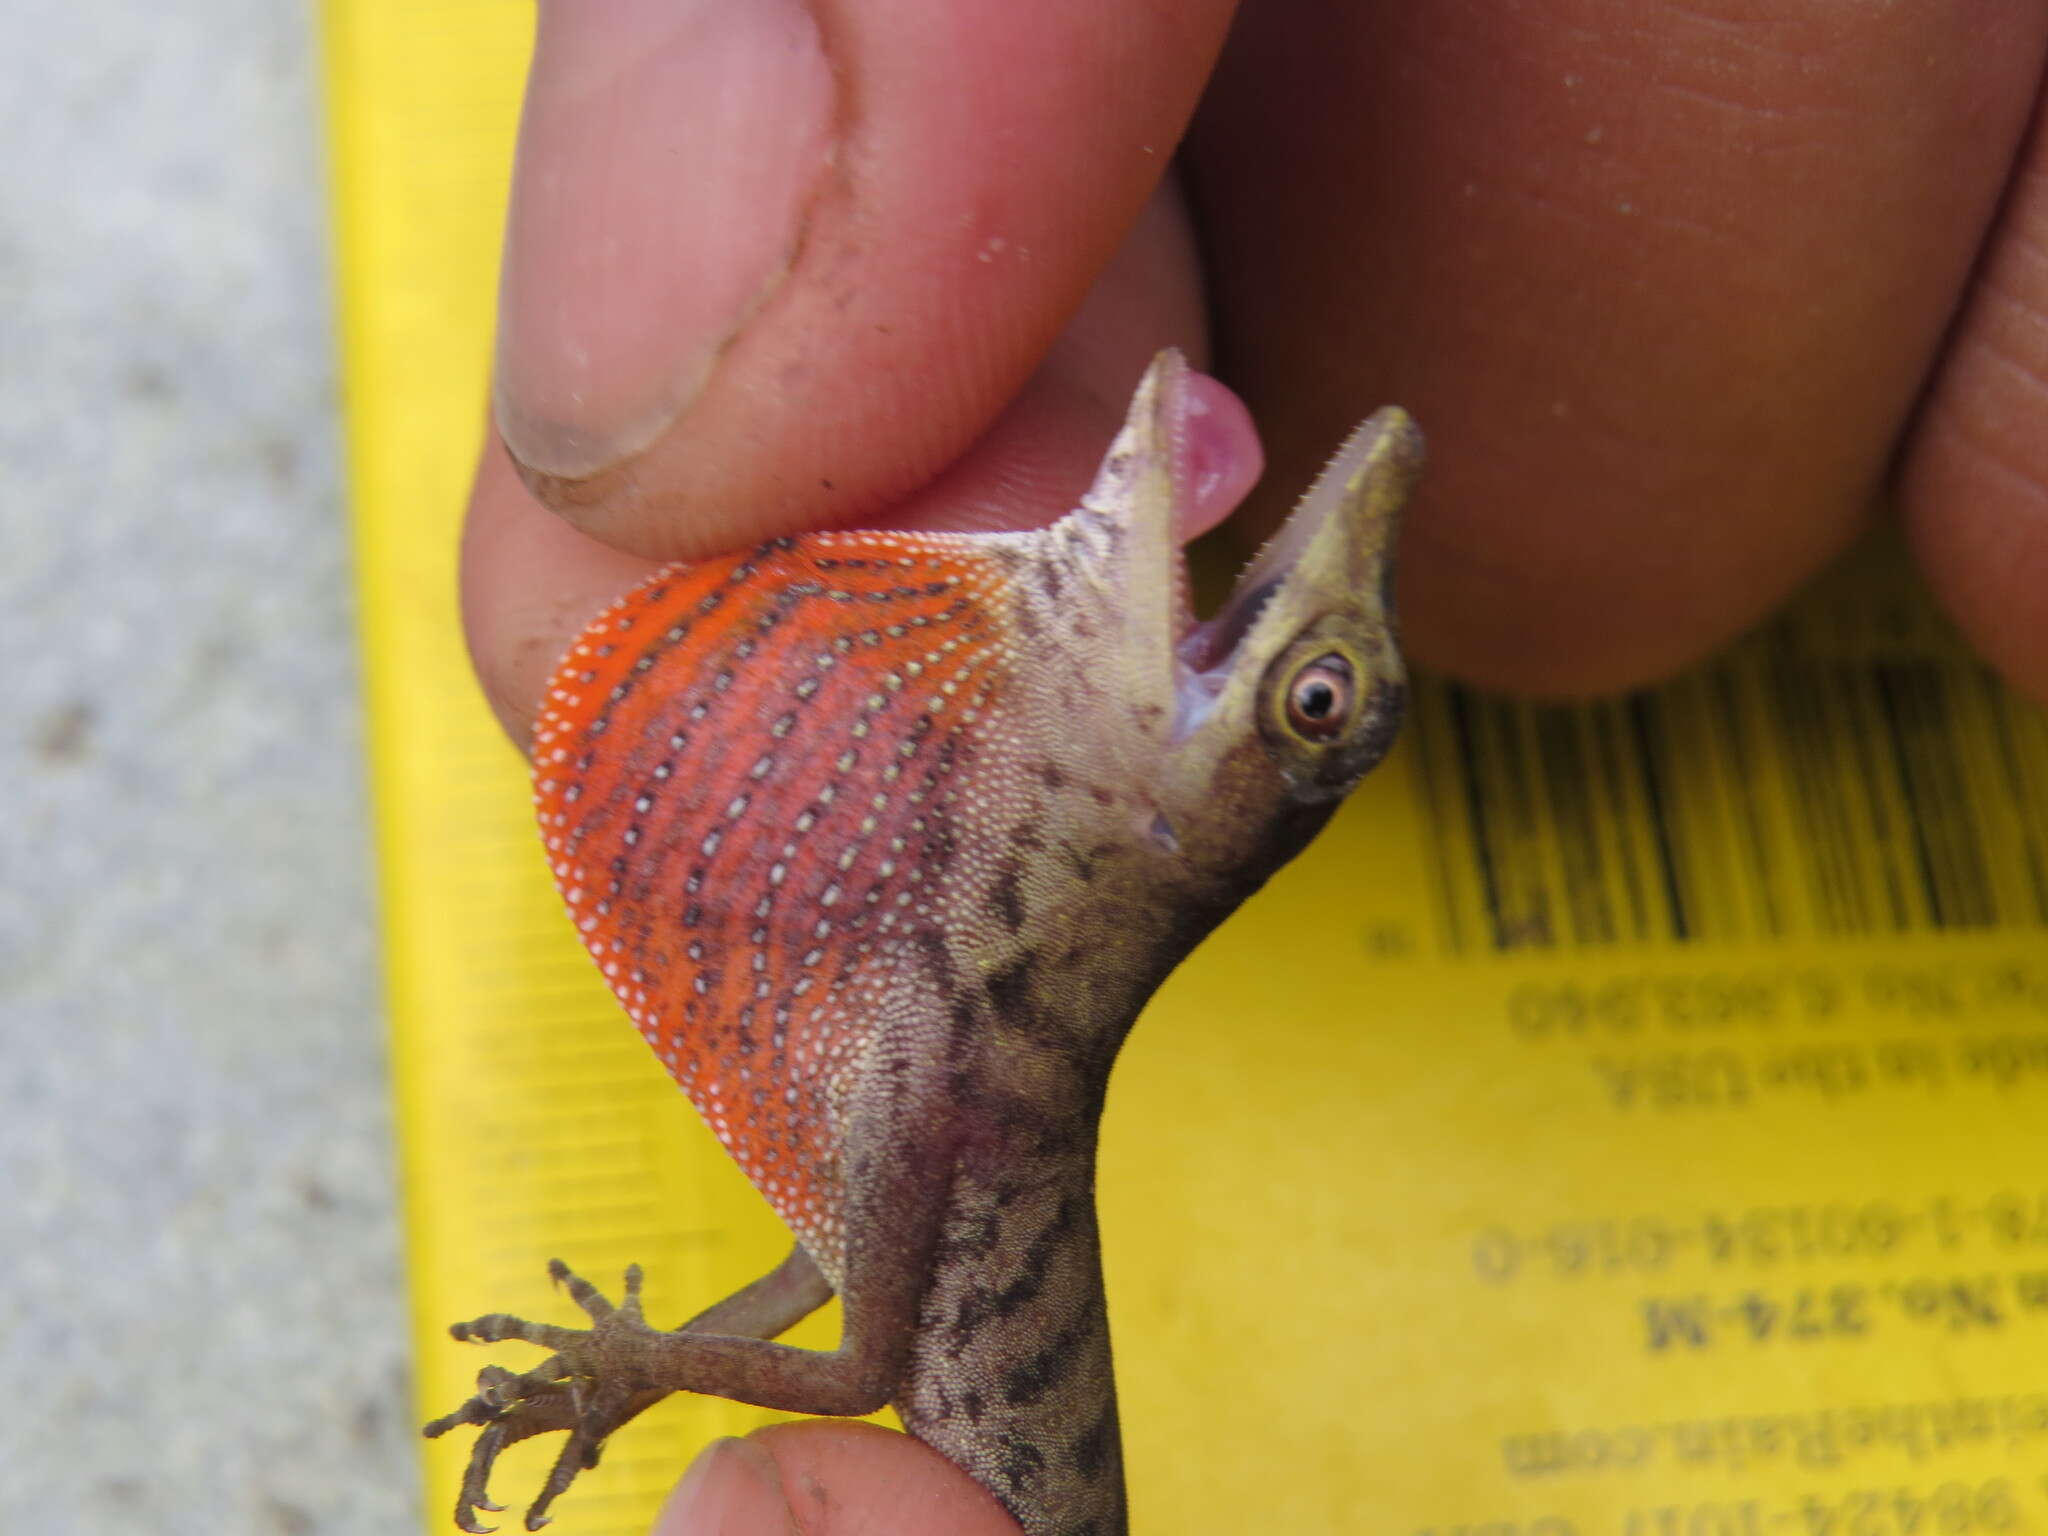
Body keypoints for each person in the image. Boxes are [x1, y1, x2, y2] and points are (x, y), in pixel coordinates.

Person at [456, 6, 2048, 1530]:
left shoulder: (964, 1070)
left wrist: (632, 1370)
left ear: (1173, 824)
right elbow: (837, 1271)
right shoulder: (976, 1069)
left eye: (1305, 695)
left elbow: (867, 1354)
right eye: (1312, 693)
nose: (1307, 562)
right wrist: (634, 1373)